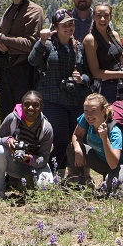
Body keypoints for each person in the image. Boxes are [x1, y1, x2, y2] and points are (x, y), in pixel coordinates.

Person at [28, 9, 90, 172]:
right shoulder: (47, 45)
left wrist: (81, 79)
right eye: (64, 25)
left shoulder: (78, 46)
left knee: (76, 139)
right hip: (52, 100)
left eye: (71, 24)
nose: (69, 28)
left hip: (74, 100)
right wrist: (41, 40)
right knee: (61, 140)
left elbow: (88, 74)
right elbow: (32, 60)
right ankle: (53, 172)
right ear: (55, 27)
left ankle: (75, 174)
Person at [0, 0, 44, 120]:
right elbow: (3, 37)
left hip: (23, 71)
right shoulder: (9, 10)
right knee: (6, 115)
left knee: (25, 114)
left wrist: (1, 38)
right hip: (5, 70)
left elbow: (31, 44)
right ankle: (7, 142)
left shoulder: (34, 11)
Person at [66, 93, 123, 190]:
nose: (89, 115)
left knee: (112, 184)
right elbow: (77, 135)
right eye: (86, 110)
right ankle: (81, 183)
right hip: (104, 162)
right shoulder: (86, 119)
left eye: (94, 111)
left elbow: (113, 164)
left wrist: (104, 138)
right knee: (72, 147)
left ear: (103, 111)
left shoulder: (114, 131)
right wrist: (77, 149)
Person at [0, 90, 54, 199]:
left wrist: (29, 159)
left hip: (35, 166)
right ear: (22, 105)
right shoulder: (12, 119)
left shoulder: (46, 128)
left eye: (35, 105)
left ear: (41, 107)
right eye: (27, 104)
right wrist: (7, 140)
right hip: (15, 165)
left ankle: (31, 187)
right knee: (0, 151)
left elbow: (44, 158)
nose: (30, 108)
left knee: (46, 187)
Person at [84, 3, 123, 103]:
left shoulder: (114, 35)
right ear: (93, 17)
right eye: (99, 15)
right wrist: (122, 74)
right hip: (105, 88)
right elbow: (96, 72)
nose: (102, 19)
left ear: (111, 17)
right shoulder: (90, 40)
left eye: (106, 16)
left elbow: (122, 62)